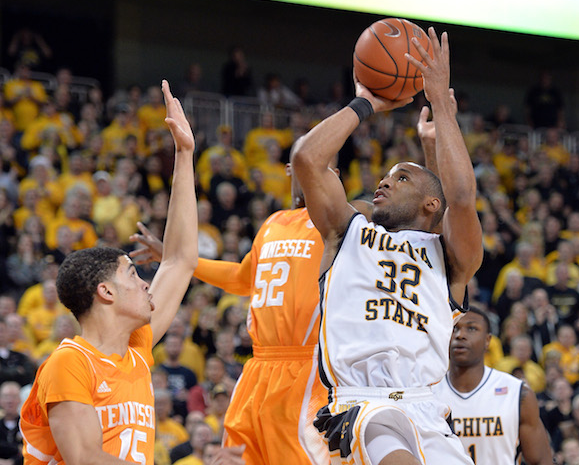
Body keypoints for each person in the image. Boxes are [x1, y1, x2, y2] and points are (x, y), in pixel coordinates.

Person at [291, 27, 483, 465]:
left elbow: (461, 198)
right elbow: (306, 158)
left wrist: (441, 108)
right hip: (364, 404)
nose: (383, 181)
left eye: (402, 178)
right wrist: (368, 102)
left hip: (429, 409)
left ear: (430, 203)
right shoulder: (347, 231)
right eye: (386, 176)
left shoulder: (450, 260)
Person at [130, 144, 371, 464]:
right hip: (258, 366)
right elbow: (242, 277)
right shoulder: (273, 223)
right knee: (235, 455)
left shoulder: (344, 223)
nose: (305, 170)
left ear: (335, 176)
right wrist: (178, 260)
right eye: (300, 164)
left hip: (307, 365)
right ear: (290, 171)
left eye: (316, 164)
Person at [19, 80, 198, 465]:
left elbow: (180, 260)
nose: (146, 282)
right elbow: (85, 459)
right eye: (133, 275)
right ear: (106, 292)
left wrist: (184, 154)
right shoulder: (70, 362)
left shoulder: (136, 351)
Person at [433, 307, 552, 464]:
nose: (460, 335)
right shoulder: (427, 394)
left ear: (488, 340)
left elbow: (541, 460)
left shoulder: (517, 393)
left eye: (471, 328)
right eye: (454, 328)